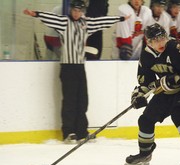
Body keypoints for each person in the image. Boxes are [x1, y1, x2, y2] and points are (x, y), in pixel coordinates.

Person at [23, 0, 129, 144]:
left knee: (82, 100)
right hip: (67, 67)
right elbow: (50, 18)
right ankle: (68, 132)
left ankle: (82, 132)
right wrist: (35, 14)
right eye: (74, 10)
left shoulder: (86, 24)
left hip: (80, 67)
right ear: (71, 10)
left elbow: (102, 22)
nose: (77, 13)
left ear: (83, 11)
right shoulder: (64, 22)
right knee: (70, 101)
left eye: (79, 10)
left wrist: (120, 19)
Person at [125, 23, 180, 165]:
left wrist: (170, 80)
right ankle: (145, 154)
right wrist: (139, 95)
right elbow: (147, 82)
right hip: (169, 89)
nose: (161, 42)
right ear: (148, 42)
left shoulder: (176, 50)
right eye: (156, 40)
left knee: (179, 114)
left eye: (163, 38)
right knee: (145, 120)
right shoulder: (146, 55)